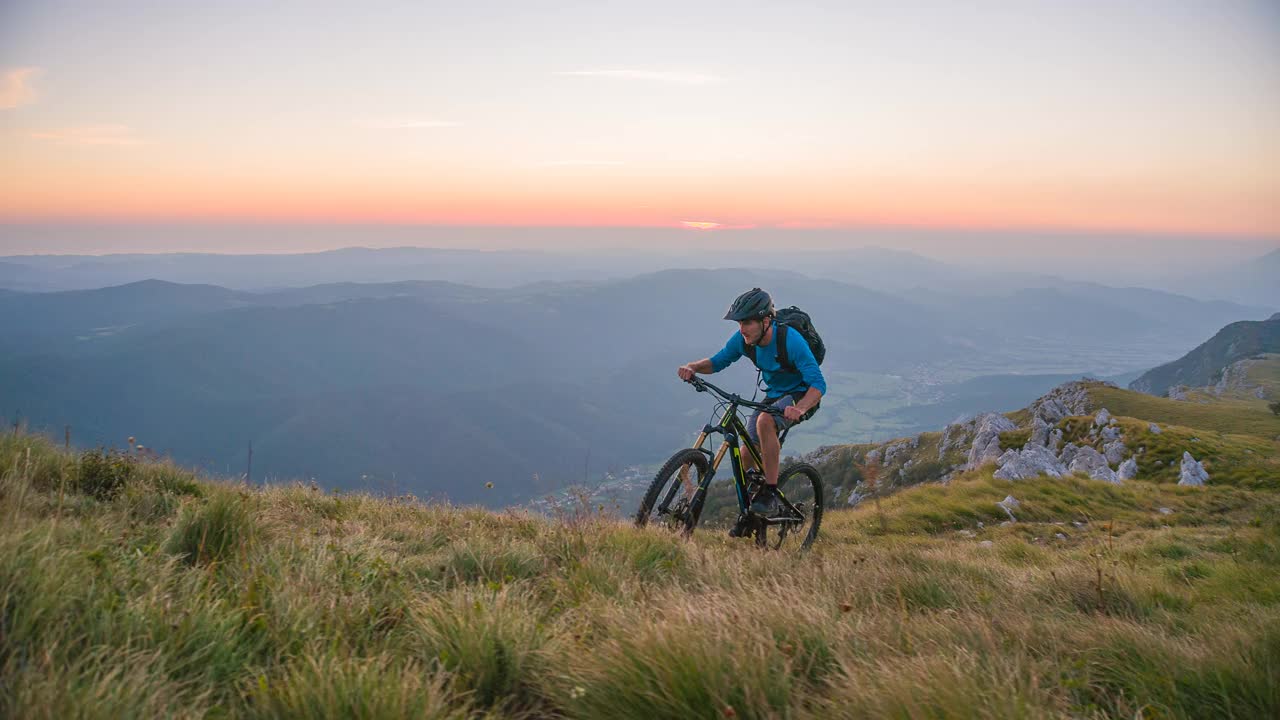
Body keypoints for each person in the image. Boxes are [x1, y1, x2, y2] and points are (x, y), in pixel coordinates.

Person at [677, 287, 826, 521]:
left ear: (766, 320)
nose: (742, 329)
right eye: (739, 323)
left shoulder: (791, 340)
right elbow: (717, 362)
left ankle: (770, 492)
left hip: (802, 394)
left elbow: (818, 385)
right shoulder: (743, 340)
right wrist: (694, 367)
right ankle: (754, 512)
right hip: (775, 395)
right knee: (746, 452)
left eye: (747, 323)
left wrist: (800, 408)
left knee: (766, 421)